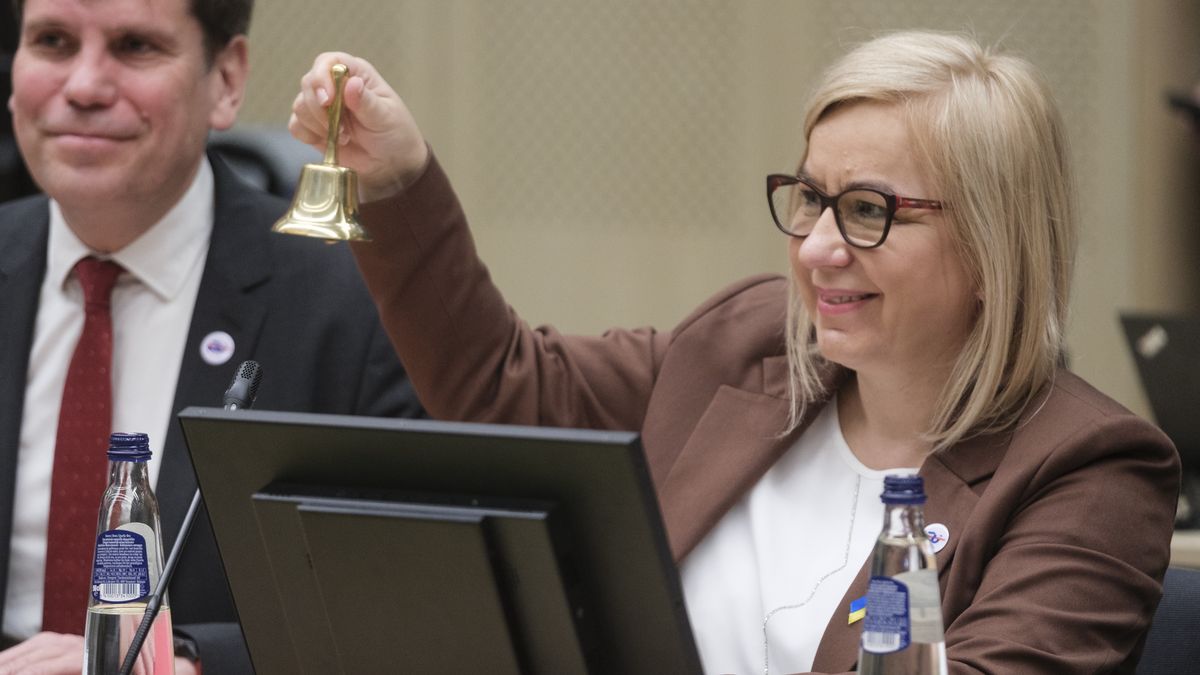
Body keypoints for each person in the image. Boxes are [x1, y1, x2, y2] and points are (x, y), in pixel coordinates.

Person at [289, 30, 1180, 674]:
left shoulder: (1091, 470)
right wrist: (397, 183)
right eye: (809, 197)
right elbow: (503, 386)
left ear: (993, 247)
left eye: (869, 211)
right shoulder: (751, 346)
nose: (818, 247)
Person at [0, 0, 422, 673]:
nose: (82, 87)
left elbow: (409, 603)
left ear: (225, 79)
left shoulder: (351, 305)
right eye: (51, 41)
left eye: (134, 46)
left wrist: (187, 663)